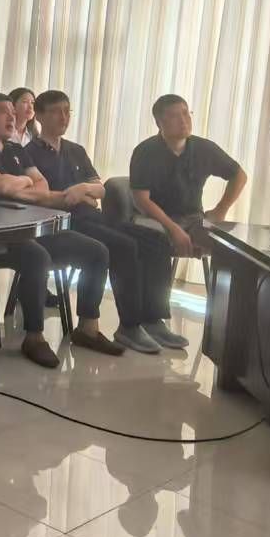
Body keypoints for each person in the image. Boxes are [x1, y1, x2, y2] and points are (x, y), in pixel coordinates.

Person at [0, 93, 117, 367]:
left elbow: (41, 186)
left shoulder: (15, 150)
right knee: (37, 257)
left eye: (12, 111)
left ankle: (88, 328)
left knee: (96, 252)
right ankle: (34, 337)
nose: (12, 116)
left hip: (27, 227)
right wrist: (22, 182)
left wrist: (20, 186)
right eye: (3, 111)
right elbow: (0, 186)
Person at [25, 90, 167, 354]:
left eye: (67, 111)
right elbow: (43, 199)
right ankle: (129, 326)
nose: (64, 117)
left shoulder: (75, 150)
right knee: (123, 245)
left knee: (155, 240)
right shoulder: (29, 153)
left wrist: (82, 189)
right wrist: (78, 195)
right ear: (40, 116)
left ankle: (154, 318)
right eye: (56, 111)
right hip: (65, 222)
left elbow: (100, 189)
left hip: (93, 216)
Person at [128, 94, 248, 337]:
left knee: (231, 247)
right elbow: (142, 200)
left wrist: (221, 210)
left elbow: (239, 175)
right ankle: (154, 320)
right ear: (159, 122)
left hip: (193, 219)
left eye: (186, 113)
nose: (183, 120)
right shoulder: (146, 151)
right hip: (153, 218)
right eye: (174, 116)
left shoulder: (203, 148)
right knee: (158, 241)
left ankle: (233, 322)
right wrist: (173, 229)